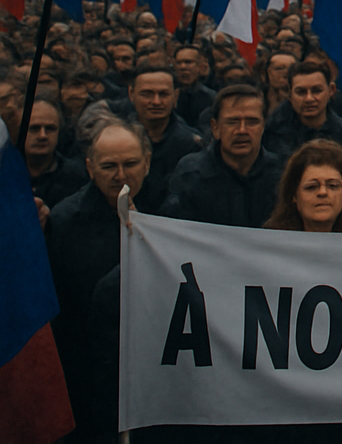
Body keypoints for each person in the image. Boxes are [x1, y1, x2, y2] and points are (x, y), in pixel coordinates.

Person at [47, 120, 155, 432]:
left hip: (147, 369)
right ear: (90, 168)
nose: (121, 175)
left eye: (130, 164)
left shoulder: (164, 210)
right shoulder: (65, 222)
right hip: (88, 372)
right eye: (109, 166)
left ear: (147, 163)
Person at [167, 83, 283, 227]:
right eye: (232, 122)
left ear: (263, 126)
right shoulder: (190, 175)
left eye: (252, 122)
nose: (242, 130)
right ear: (215, 128)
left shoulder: (280, 174)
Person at [125, 63, 203, 211]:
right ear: (131, 94)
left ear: (176, 96)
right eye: (147, 94)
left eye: (163, 94)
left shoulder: (191, 144)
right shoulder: (114, 141)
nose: (156, 102)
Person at [264, 58, 342, 168]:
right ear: (290, 94)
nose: (309, 98)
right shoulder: (274, 133)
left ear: (331, 90)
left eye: (316, 91)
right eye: (301, 92)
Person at [265, 139, 342, 233]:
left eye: (333, 186)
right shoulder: (272, 246)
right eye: (311, 187)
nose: (323, 192)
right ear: (294, 195)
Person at [25, 96, 86, 208]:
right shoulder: (5, 172)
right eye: (34, 128)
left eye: (50, 128)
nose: (42, 135)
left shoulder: (78, 177)